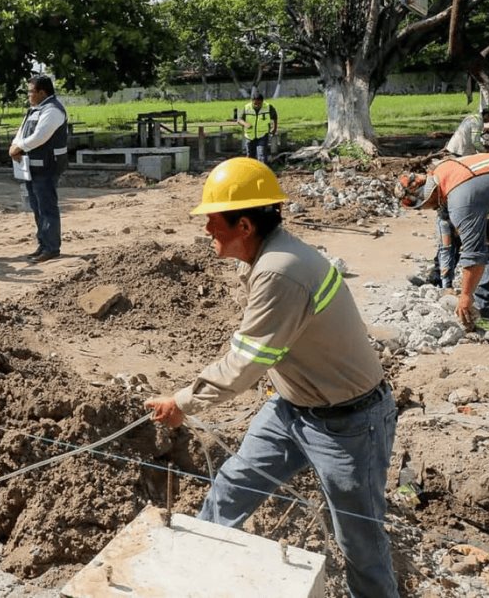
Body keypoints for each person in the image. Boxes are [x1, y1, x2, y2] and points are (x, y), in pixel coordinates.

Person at [145, 157, 398, 598]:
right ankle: (188, 574)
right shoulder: (266, 256)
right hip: (292, 408)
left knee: (360, 543)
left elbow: (246, 363)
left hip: (349, 423)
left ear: (244, 225)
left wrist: (181, 403)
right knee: (233, 485)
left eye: (213, 221)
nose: (207, 231)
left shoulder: (281, 270)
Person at [395, 152, 489, 344]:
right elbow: (447, 244)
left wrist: (465, 296)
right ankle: (482, 312)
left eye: (425, 206)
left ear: (430, 195)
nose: (429, 209)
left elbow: (474, 255)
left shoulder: (461, 200)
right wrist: (447, 285)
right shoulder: (443, 174)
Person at [9, 75, 68, 263]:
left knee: (47, 207)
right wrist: (14, 145)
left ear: (42, 92)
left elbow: (40, 136)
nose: (28, 95)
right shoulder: (36, 109)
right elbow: (23, 131)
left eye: (31, 91)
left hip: (47, 167)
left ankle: (52, 248)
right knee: (37, 207)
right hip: (33, 167)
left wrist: (20, 147)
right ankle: (43, 244)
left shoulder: (53, 110)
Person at [239, 91, 278, 164]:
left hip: (263, 134)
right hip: (250, 136)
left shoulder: (268, 107)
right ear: (252, 101)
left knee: (262, 154)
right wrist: (245, 124)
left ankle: (263, 172)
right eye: (255, 104)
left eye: (259, 104)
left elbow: (275, 117)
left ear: (262, 102)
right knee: (250, 156)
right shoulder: (247, 108)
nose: (257, 105)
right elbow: (239, 120)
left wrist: (274, 128)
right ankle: (251, 172)